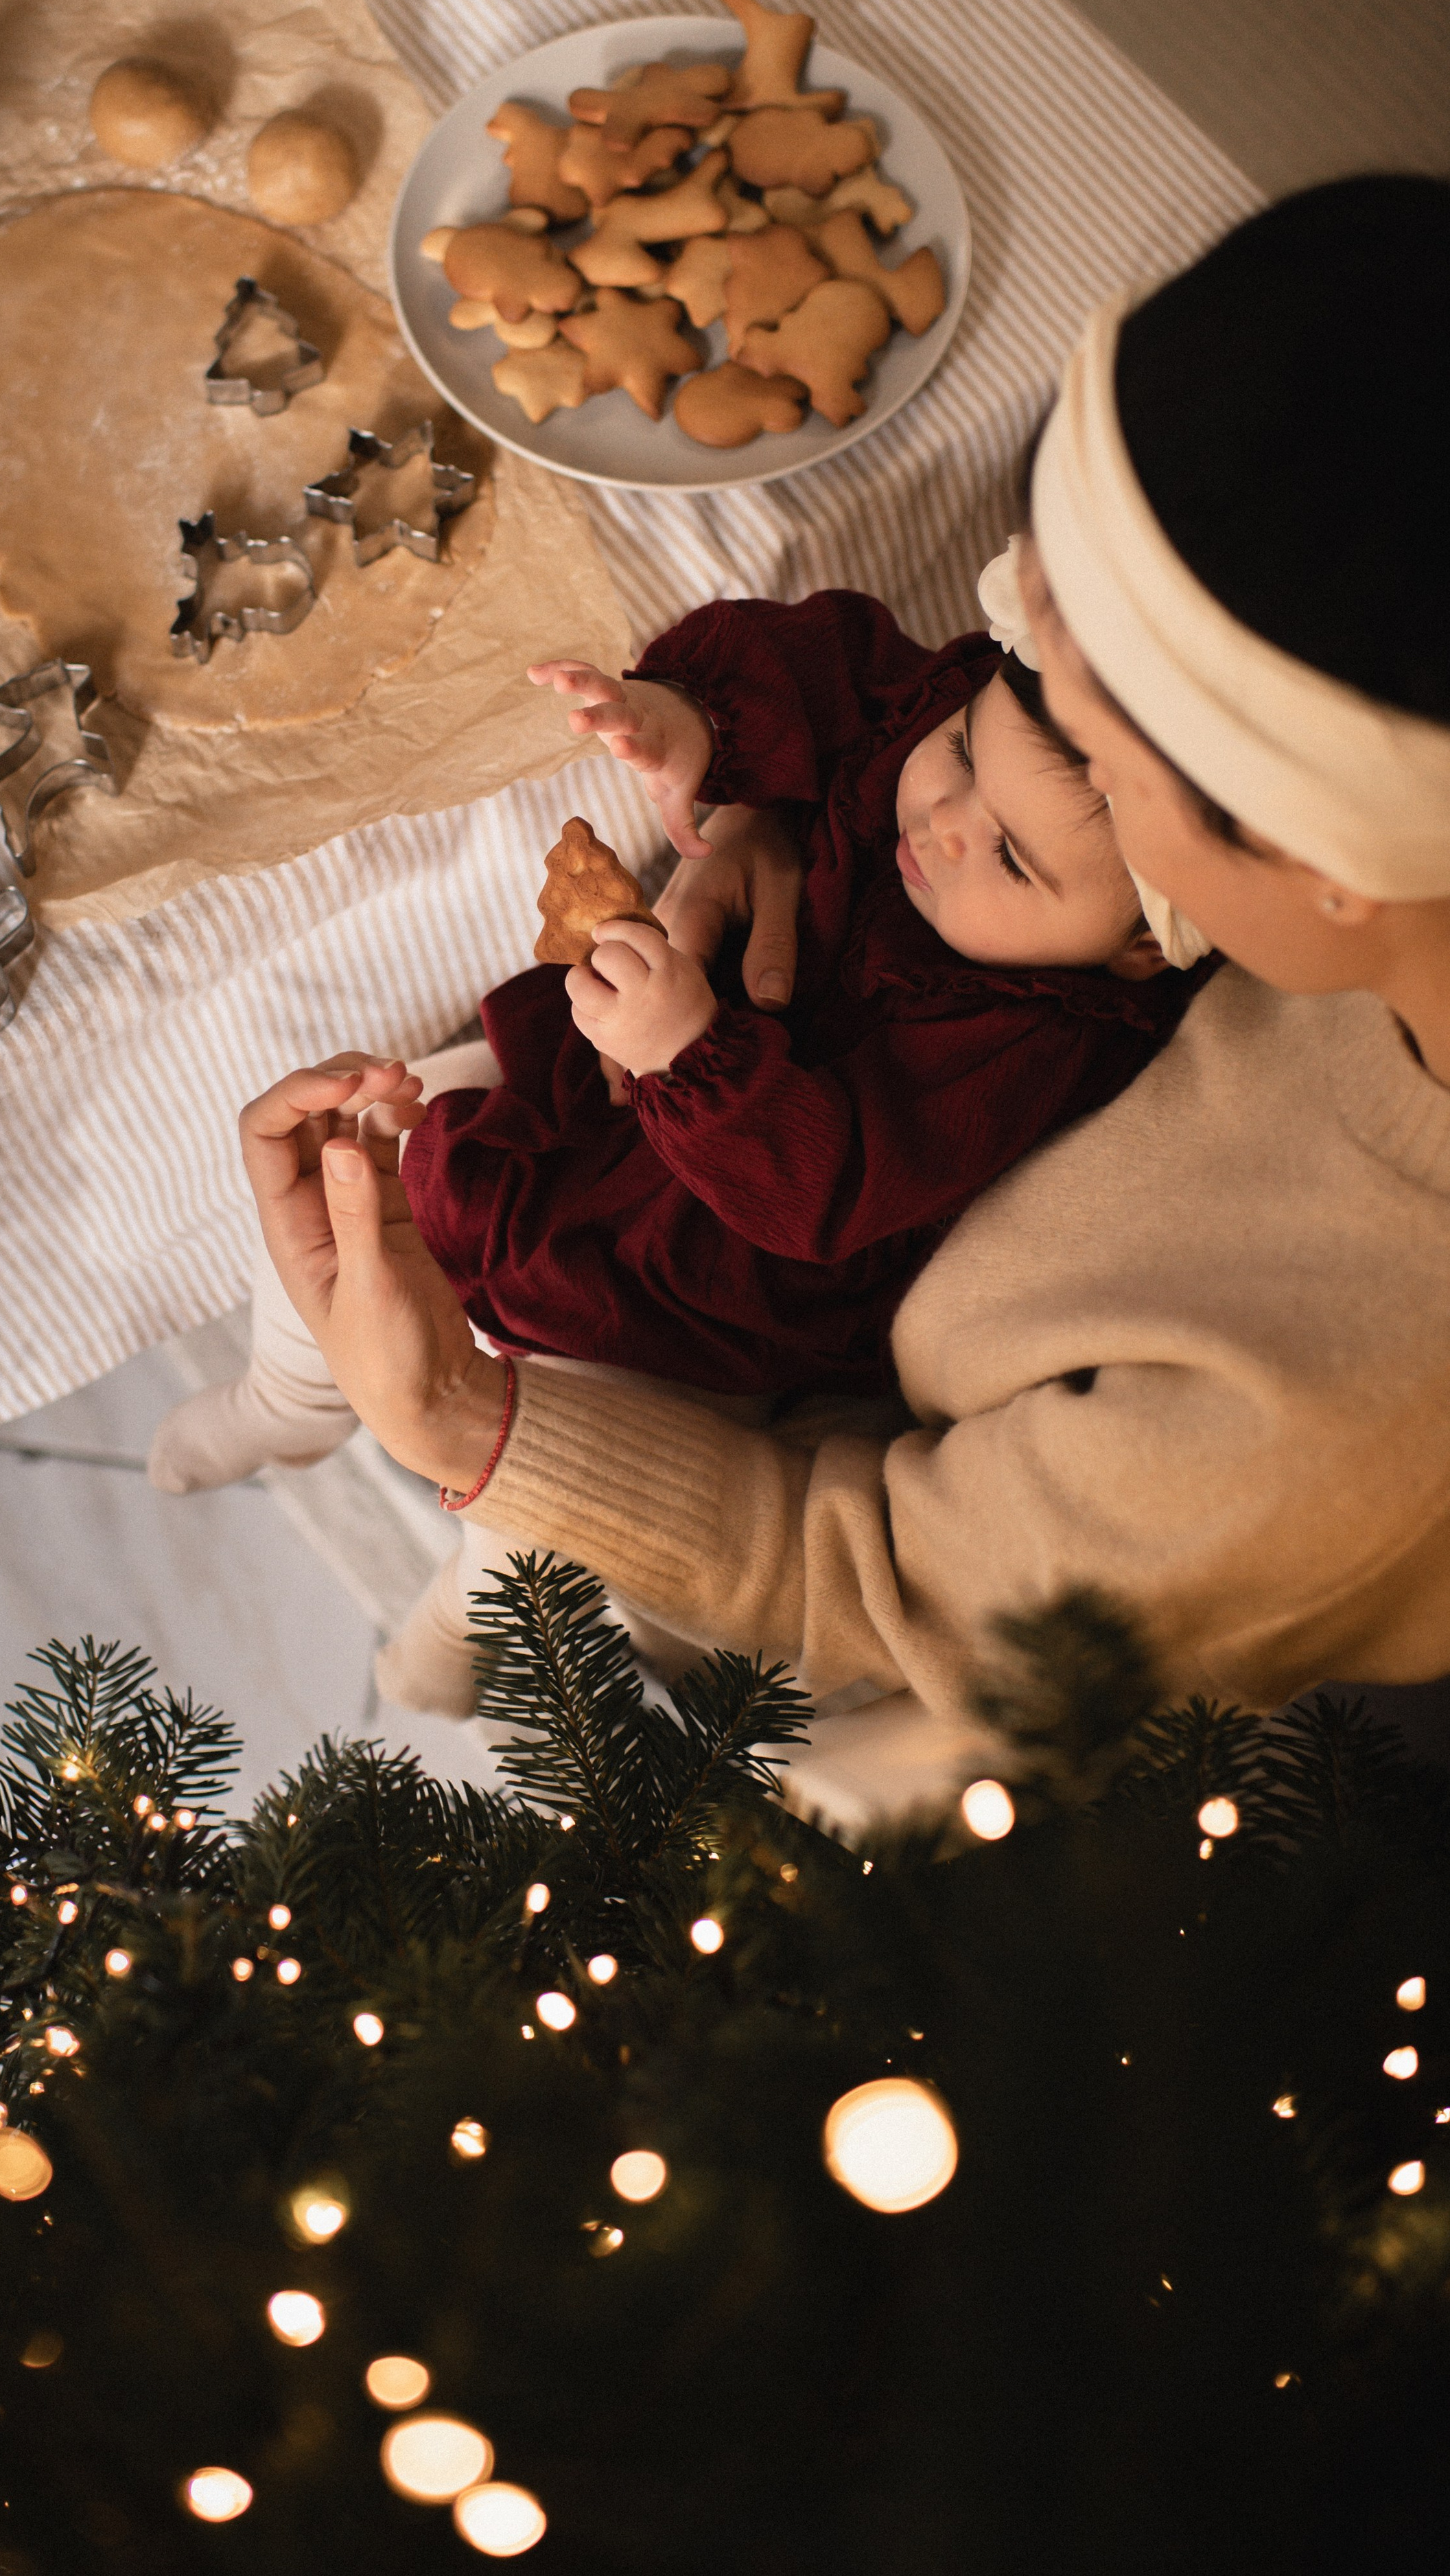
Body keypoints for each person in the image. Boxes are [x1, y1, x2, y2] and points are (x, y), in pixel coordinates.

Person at [206, 178, 1450, 1803]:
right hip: (774, 1263)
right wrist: (775, 812)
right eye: (1009, 673)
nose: (961, 767)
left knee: (514, 1603)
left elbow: (858, 1579)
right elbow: (901, 714)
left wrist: (456, 1422)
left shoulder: (1331, 1436)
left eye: (1078, 772)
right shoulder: (1291, 687)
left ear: (1306, 867)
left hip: (839, 1517)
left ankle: (435, 1677)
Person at [150, 579, 1206, 1498]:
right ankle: (287, 1398)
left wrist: (689, 1056)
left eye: (1013, 859)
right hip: (620, 1070)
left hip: (709, 1254)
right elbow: (835, 663)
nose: (942, 822)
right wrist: (691, 720)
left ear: (1141, 948)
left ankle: (463, 1622)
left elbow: (827, 1190)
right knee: (357, 1146)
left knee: (536, 1435)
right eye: (964, 752)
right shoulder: (963, 719)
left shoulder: (1027, 1040)